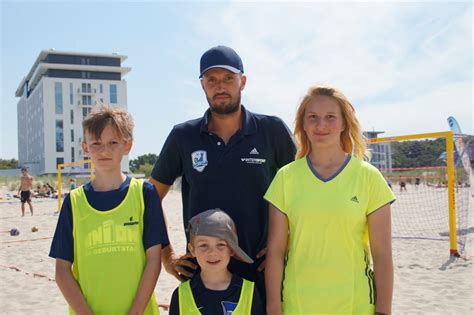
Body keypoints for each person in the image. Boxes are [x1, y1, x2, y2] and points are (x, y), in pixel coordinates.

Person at [150, 45, 296, 299]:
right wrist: (167, 256)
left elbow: (301, 193)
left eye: (228, 78)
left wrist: (285, 248)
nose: (220, 86)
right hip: (205, 274)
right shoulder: (183, 136)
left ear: (243, 81)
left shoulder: (272, 130)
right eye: (211, 79)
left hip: (262, 274)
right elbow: (149, 199)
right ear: (202, 85)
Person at [265, 85, 395, 314]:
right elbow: (276, 250)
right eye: (313, 117)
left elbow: (382, 253)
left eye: (330, 117)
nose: (321, 125)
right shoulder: (285, 178)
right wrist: (274, 306)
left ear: (344, 123)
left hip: (355, 303)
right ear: (303, 124)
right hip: (298, 304)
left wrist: (383, 311)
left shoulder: (369, 177)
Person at [49, 105, 169, 314]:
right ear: (85, 148)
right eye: (96, 143)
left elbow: (154, 260)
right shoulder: (74, 202)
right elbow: (62, 271)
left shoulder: (144, 194)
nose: (104, 150)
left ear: (127, 146)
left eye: (113, 142)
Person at [169, 209, 264, 314]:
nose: (212, 252)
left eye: (221, 245)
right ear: (192, 250)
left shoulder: (249, 293)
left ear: (232, 249)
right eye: (204, 245)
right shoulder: (181, 295)